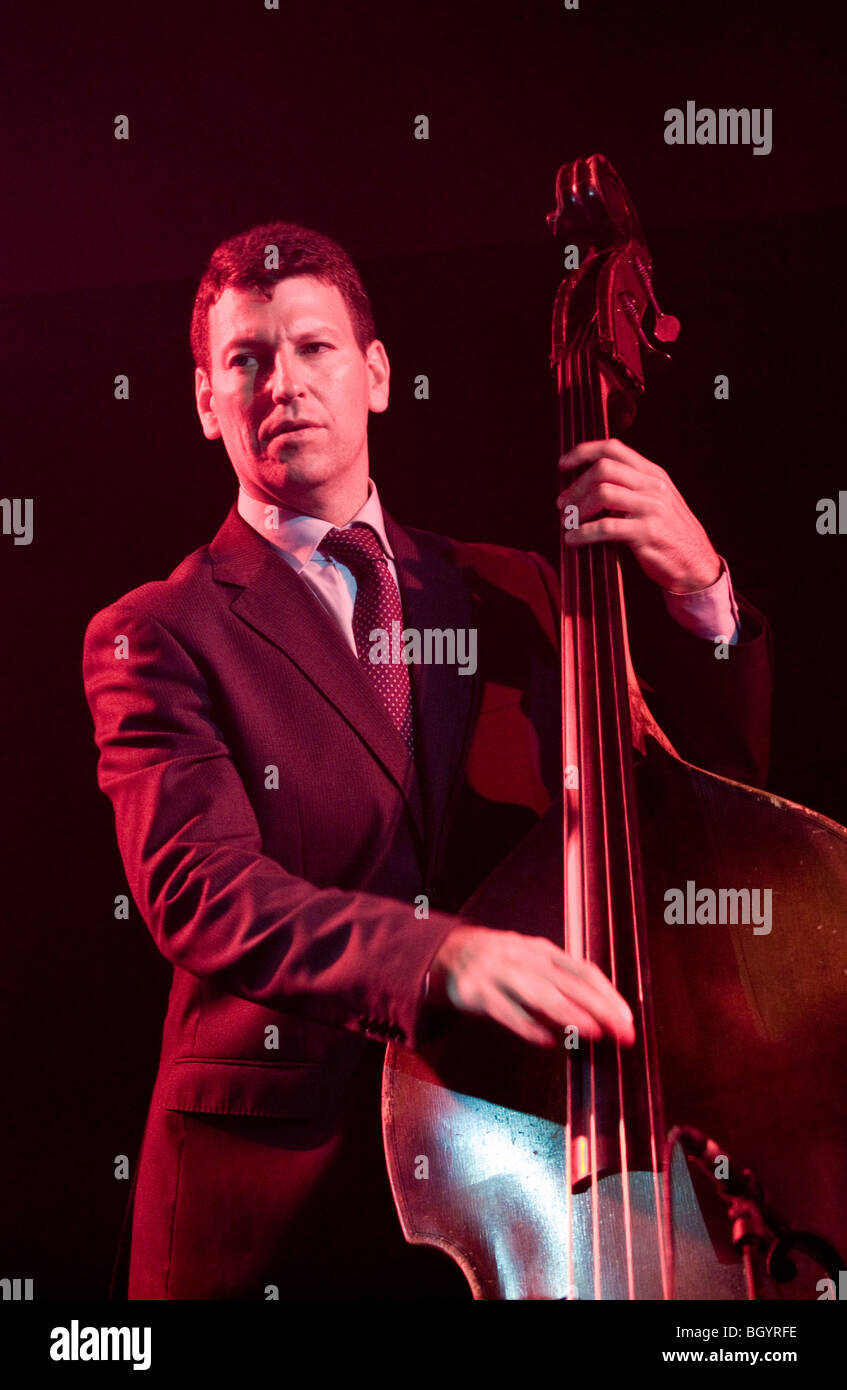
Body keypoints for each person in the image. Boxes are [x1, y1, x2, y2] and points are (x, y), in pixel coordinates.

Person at [82, 221, 772, 1299]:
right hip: (279, 1207)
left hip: (516, 1176)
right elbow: (202, 892)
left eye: (313, 349)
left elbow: (701, 811)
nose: (282, 385)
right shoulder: (156, 631)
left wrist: (703, 595)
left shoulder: (522, 592)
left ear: (377, 377)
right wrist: (434, 954)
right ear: (206, 401)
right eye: (245, 360)